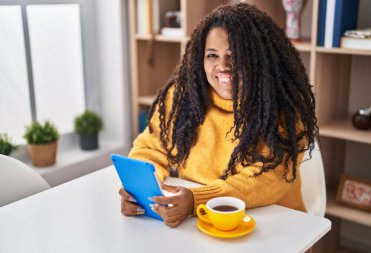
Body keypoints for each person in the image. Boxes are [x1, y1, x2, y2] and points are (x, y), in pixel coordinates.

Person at [119, 3, 318, 228]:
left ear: (259, 60)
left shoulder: (281, 109)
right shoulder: (182, 98)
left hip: (275, 226)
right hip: (201, 223)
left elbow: (267, 179)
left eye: (236, 56)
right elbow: (150, 148)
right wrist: (141, 192)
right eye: (212, 55)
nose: (223, 66)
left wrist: (198, 200)